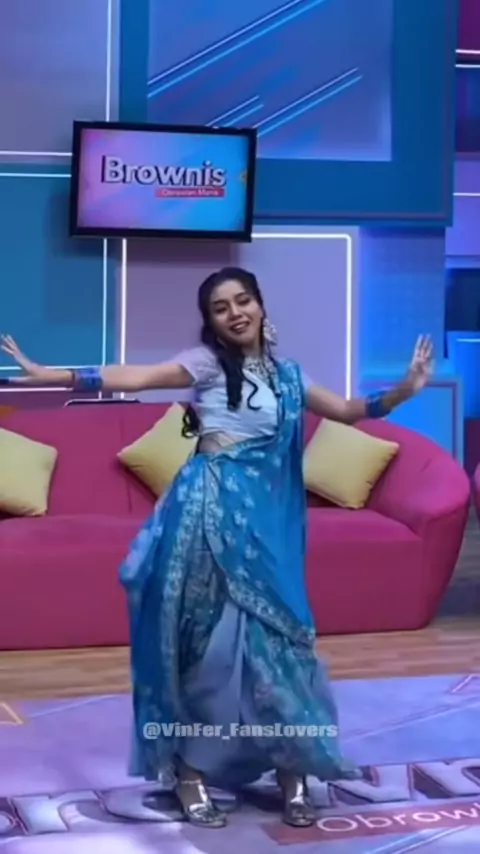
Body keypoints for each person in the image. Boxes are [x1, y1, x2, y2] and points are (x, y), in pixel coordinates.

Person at [1, 267, 433, 829]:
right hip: (207, 517)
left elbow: (350, 411)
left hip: (266, 531)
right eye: (220, 307)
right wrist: (53, 374)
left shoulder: (290, 376)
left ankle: (292, 769)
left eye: (242, 300)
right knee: (208, 651)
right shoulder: (206, 365)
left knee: (281, 646)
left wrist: (404, 389)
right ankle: (190, 773)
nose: (235, 313)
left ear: (260, 305)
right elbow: (139, 374)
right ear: (210, 321)